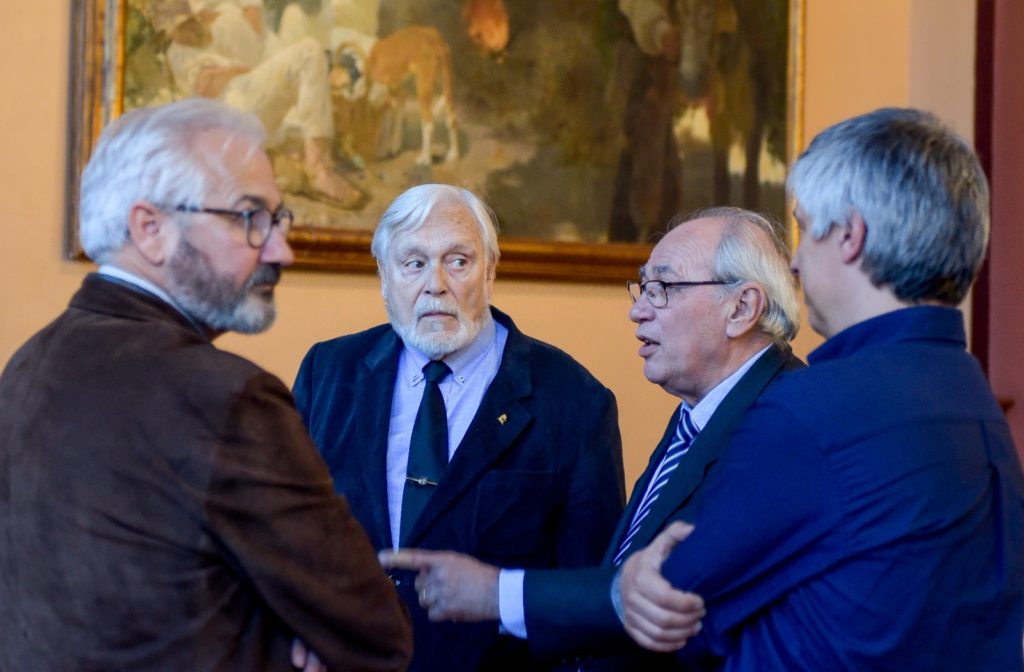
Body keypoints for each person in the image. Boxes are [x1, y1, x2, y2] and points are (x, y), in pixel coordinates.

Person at [0, 98, 411, 671]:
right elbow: (374, 632)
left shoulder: (26, 365)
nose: (280, 250)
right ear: (151, 229)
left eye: (277, 219)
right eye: (249, 218)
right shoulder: (226, 397)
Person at [620, 107, 1024, 670]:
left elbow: (670, 611)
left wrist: (637, 579)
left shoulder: (811, 410)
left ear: (851, 236)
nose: (797, 260)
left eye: (807, 228)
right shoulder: (970, 391)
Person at [379, 206, 804, 669]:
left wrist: (498, 594)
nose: (638, 309)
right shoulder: (698, 416)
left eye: (663, 288)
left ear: (742, 307)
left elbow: (679, 594)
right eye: (643, 287)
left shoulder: (779, 424)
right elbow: (622, 575)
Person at [291, 183, 627, 672]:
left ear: (490, 272)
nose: (435, 285)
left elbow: (588, 594)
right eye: (413, 264)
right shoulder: (329, 372)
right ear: (384, 278)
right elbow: (291, 533)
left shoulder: (573, 400)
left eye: (458, 261)